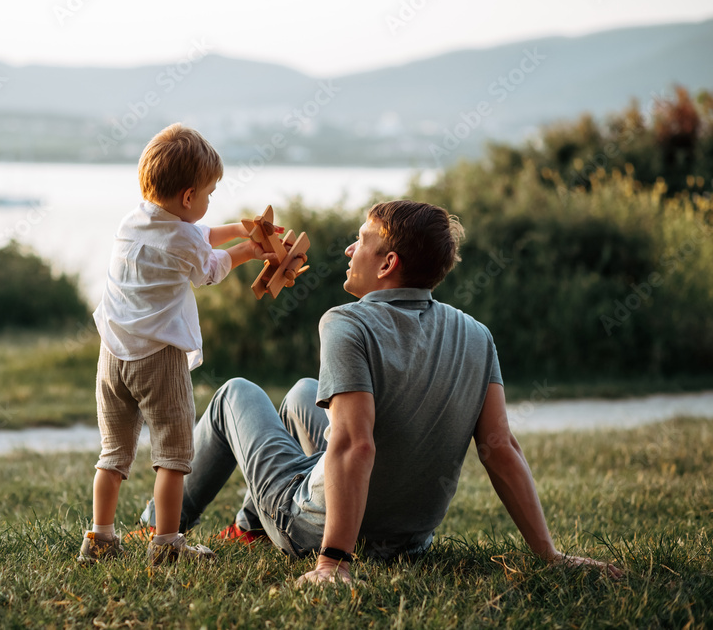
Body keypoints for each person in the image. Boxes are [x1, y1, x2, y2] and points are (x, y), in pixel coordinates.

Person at [140, 199, 622, 583]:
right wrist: (551, 556)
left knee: (235, 394)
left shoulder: (346, 322)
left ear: (388, 262)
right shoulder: (476, 333)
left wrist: (332, 562)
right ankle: (249, 528)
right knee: (304, 393)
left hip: (315, 528)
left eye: (361, 241)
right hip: (409, 541)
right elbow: (499, 447)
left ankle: (155, 527)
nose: (350, 251)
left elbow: (355, 443)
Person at [80, 123, 277, 566]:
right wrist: (250, 250)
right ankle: (167, 543)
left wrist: (241, 230)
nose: (209, 203)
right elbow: (207, 268)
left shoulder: (133, 221)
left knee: (112, 455)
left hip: (112, 356)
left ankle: (100, 538)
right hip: (157, 358)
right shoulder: (185, 236)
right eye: (207, 194)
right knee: (172, 456)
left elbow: (196, 235)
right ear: (188, 197)